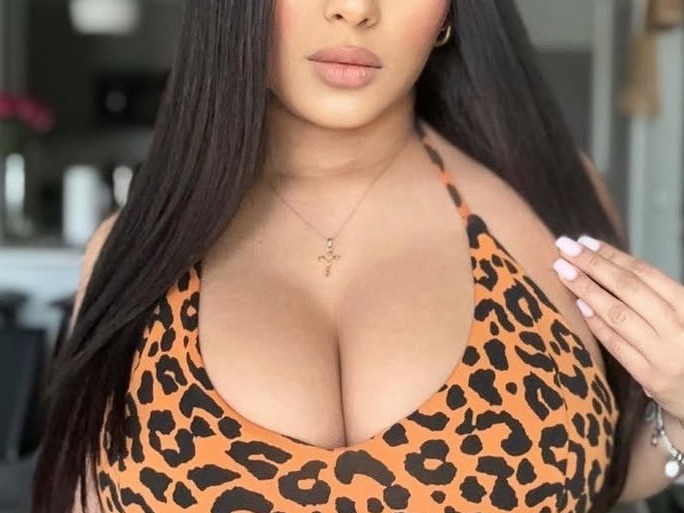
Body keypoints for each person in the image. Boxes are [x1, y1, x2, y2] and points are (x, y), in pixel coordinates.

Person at [31, 1, 684, 512]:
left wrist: (681, 402)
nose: (355, 8)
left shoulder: (548, 202)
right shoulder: (132, 252)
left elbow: (598, 473)